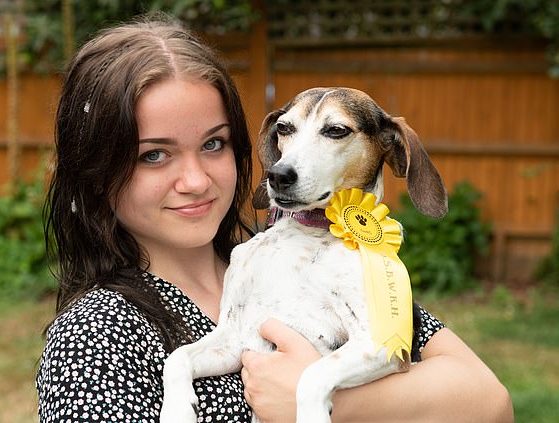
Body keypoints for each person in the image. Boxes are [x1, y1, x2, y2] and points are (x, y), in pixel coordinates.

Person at [36, 15, 513, 423]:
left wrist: (323, 396)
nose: (196, 180)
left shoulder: (285, 260)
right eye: (154, 155)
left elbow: (489, 402)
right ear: (98, 172)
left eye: (213, 144)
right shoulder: (94, 338)